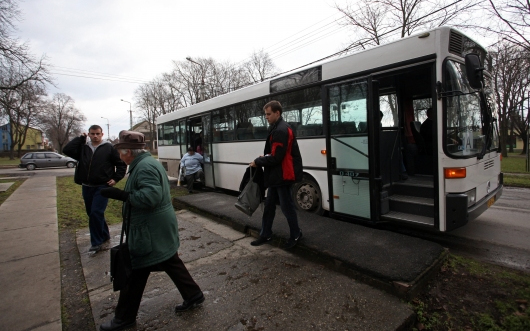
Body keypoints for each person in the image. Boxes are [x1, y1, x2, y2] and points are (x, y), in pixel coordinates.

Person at [98, 131, 204, 331]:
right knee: (170, 261)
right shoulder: (146, 163)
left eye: (121, 152)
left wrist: (121, 195)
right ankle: (193, 294)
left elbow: (150, 198)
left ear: (129, 151)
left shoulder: (144, 167)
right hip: (156, 226)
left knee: (136, 270)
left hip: (149, 229)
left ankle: (124, 319)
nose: (120, 157)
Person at [63, 125, 127, 252]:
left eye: (97, 133)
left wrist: (115, 179)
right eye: (92, 134)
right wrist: (80, 139)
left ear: (102, 134)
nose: (95, 136)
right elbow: (67, 150)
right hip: (87, 186)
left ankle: (96, 243)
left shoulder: (109, 148)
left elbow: (121, 164)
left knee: (96, 212)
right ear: (89, 134)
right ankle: (104, 234)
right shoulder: (84, 148)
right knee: (92, 213)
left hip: (102, 187)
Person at [249, 100, 303, 249]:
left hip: (283, 175)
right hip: (278, 175)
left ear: (277, 113)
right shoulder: (279, 127)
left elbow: (277, 157)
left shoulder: (280, 130)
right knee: (269, 206)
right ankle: (265, 234)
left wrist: (258, 161)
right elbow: (276, 153)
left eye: (268, 114)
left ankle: (296, 234)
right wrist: (266, 156)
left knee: (287, 207)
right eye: (265, 114)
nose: (266, 116)